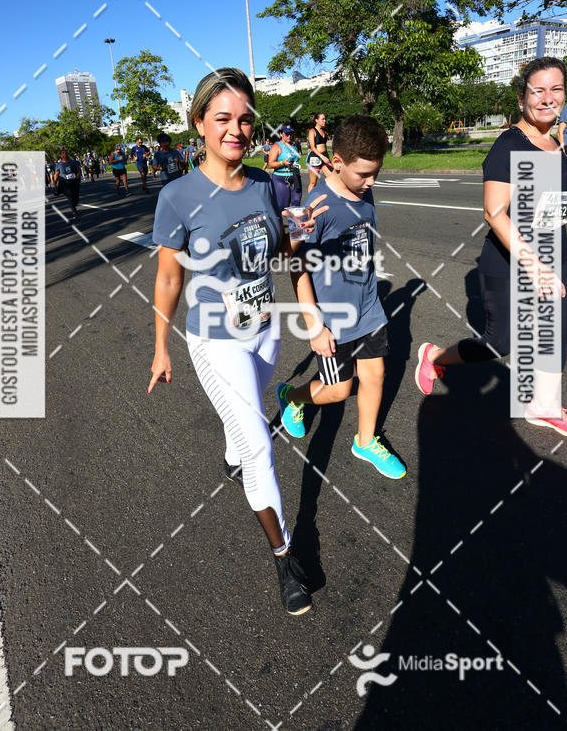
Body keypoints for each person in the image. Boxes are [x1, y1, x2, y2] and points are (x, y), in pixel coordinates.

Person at [148, 67, 328, 615]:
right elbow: (169, 277)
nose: (236, 128)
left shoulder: (272, 185)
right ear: (199, 122)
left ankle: (233, 449)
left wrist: (313, 315)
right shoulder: (178, 196)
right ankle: (284, 556)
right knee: (259, 444)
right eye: (223, 117)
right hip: (213, 339)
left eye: (245, 119)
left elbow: (291, 257)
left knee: (242, 427)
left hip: (265, 330)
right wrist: (161, 345)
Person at [415, 56, 567, 438]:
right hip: (510, 261)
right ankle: (433, 355)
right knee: (499, 343)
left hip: (559, 253)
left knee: (559, 328)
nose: (547, 98)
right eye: (538, 90)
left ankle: (544, 405)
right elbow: (494, 212)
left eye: (556, 90)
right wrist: (535, 267)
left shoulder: (559, 142)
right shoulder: (509, 145)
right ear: (522, 97)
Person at [275, 115, 406, 479]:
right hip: (333, 320)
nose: (372, 182)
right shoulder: (315, 207)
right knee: (337, 390)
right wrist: (314, 325)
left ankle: (365, 441)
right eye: (363, 174)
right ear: (336, 162)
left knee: (375, 374)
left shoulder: (365, 189)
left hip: (368, 308)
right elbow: (296, 267)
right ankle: (292, 397)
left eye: (376, 172)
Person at [267, 123, 302, 212]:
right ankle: (280, 225)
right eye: (287, 134)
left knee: (296, 203)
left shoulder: (294, 145)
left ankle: (294, 225)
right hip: (281, 178)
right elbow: (270, 164)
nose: (289, 136)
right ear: (281, 134)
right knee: (282, 205)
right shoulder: (276, 146)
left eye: (291, 134)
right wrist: (283, 162)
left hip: (295, 177)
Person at [53, 147, 81, 221]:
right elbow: (56, 174)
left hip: (74, 182)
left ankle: (73, 205)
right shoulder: (59, 164)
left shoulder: (73, 162)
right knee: (70, 197)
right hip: (65, 183)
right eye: (63, 153)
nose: (64, 154)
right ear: (61, 155)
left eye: (65, 152)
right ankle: (74, 212)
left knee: (76, 198)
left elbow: (78, 171)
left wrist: (77, 176)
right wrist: (54, 184)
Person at [306, 112, 332, 192]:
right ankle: (309, 201)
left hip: (325, 156)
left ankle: (332, 199)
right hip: (315, 157)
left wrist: (326, 157)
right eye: (323, 119)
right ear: (317, 120)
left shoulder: (324, 131)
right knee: (313, 183)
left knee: (332, 179)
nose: (325, 121)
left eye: (325, 119)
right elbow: (313, 148)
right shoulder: (312, 131)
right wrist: (322, 157)